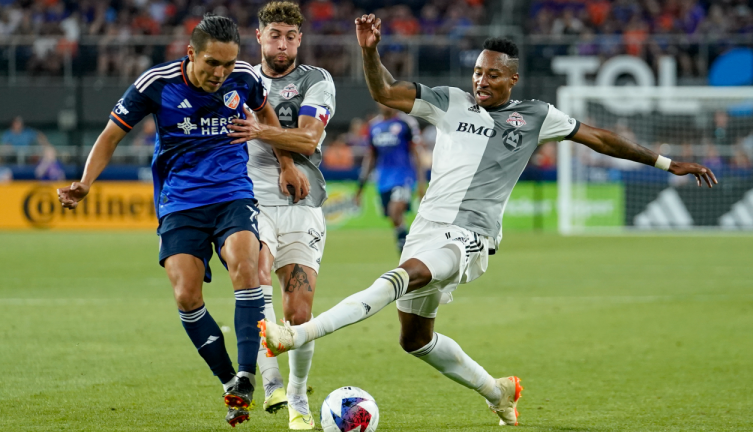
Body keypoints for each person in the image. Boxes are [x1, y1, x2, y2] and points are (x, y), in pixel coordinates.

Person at [260, 14, 718, 427]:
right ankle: (498, 392)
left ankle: (296, 334)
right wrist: (369, 50)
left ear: (512, 79)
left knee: (403, 276)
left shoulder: (536, 116)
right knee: (415, 340)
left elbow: (598, 138)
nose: (482, 80)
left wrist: (665, 162)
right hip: (426, 228)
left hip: (471, 236)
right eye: (478, 71)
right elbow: (384, 91)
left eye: (493, 74)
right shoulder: (450, 101)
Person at [57, 14, 309, 428]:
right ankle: (229, 382)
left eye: (228, 64)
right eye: (212, 63)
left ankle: (247, 374)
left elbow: (267, 118)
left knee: (246, 267)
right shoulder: (156, 84)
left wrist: (286, 164)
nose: (221, 73)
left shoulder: (244, 78)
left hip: (232, 193)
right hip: (180, 202)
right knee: (186, 295)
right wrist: (85, 182)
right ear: (191, 53)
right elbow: (111, 135)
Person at [225, 2, 336, 429]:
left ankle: (298, 395)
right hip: (249, 197)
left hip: (301, 202)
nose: (283, 44)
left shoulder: (315, 80)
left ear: (300, 39)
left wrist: (260, 131)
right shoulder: (238, 80)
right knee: (254, 281)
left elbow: (308, 139)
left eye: (290, 36)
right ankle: (271, 383)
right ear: (259, 37)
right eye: (275, 35)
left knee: (299, 314)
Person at [355, 103, 426, 253]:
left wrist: (421, 183)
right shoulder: (373, 126)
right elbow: (371, 157)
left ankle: (406, 249)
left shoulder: (406, 123)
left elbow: (416, 153)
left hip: (404, 176)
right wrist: (360, 187)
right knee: (394, 218)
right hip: (383, 179)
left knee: (395, 210)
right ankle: (405, 242)